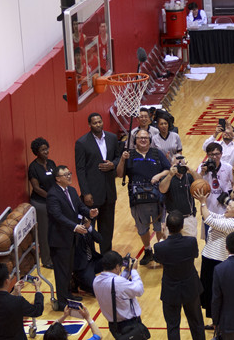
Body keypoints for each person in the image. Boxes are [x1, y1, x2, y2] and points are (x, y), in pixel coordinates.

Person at [153, 210, 207, 340]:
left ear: (166, 227)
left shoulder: (160, 246)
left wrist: (163, 237)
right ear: (182, 226)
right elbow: (195, 255)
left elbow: (159, 260)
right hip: (190, 287)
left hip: (171, 290)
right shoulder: (191, 242)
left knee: (172, 327)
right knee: (196, 322)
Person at [93, 251, 145, 340]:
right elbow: (139, 290)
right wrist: (133, 271)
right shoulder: (118, 282)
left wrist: (124, 273)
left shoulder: (96, 281)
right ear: (117, 266)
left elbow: (115, 287)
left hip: (114, 326)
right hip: (130, 325)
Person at [194, 189, 234, 328]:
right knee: (208, 292)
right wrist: (202, 203)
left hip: (218, 261)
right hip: (208, 258)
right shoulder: (225, 217)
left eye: (230, 207)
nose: (227, 206)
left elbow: (208, 219)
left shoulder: (233, 225)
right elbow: (207, 214)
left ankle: (220, 322)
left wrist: (204, 203)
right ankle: (215, 323)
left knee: (217, 293)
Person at [47, 165, 98, 310]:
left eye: (69, 173)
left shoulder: (72, 190)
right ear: (58, 179)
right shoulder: (52, 195)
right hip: (59, 240)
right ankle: (62, 302)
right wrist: (75, 227)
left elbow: (80, 207)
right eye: (65, 175)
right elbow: (57, 216)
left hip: (70, 238)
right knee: (61, 271)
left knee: (69, 268)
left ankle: (68, 295)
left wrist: (90, 212)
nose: (69, 176)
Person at [116, 130, 170, 265]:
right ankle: (147, 250)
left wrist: (158, 176)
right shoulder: (129, 155)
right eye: (140, 138)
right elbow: (120, 174)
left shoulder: (157, 153)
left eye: (146, 137)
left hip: (157, 197)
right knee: (142, 227)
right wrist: (122, 159)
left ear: (150, 139)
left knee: (159, 226)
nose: (143, 140)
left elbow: (168, 169)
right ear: (135, 141)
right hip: (137, 199)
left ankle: (159, 250)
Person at [75, 113, 120, 254]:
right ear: (89, 125)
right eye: (95, 123)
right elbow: (80, 169)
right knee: (89, 229)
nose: (98, 125)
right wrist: (85, 192)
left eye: (100, 122)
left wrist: (113, 164)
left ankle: (107, 257)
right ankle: (91, 257)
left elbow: (118, 157)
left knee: (107, 228)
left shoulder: (112, 138)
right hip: (92, 194)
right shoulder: (81, 143)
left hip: (109, 192)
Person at [28, 136, 57, 268]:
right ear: (36, 152)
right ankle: (46, 260)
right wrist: (51, 197)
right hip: (40, 203)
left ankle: (55, 254)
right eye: (42, 150)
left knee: (55, 229)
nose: (46, 152)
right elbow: (36, 188)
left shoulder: (51, 163)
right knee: (45, 232)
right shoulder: (33, 167)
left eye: (47, 148)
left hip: (52, 200)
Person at [159, 154, 201, 237]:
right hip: (172, 220)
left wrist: (191, 171)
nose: (180, 167)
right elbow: (162, 189)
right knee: (171, 248)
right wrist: (170, 175)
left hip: (188, 219)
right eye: (177, 165)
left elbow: (201, 183)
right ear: (172, 165)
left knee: (190, 246)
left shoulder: (189, 176)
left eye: (182, 165)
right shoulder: (167, 178)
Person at [198, 142, 234, 218]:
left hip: (223, 209)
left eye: (217, 154)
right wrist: (202, 172)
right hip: (208, 209)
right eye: (211, 154)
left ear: (221, 154)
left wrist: (232, 192)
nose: (214, 157)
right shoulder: (202, 167)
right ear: (207, 155)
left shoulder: (227, 167)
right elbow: (196, 183)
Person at [72, 217, 103, 295]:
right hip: (82, 266)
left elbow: (99, 239)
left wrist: (89, 227)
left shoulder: (87, 227)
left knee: (113, 259)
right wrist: (77, 229)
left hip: (93, 260)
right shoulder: (72, 230)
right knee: (97, 290)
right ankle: (77, 280)